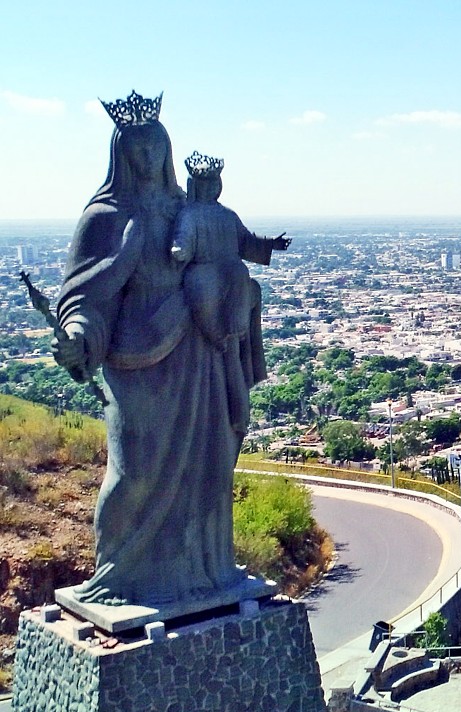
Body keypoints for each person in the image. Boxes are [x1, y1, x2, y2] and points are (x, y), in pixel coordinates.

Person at [52, 91, 285, 606]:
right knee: (134, 472)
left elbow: (232, 242)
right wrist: (76, 335)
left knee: (208, 465)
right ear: (122, 153)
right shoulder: (105, 216)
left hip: (198, 353)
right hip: (137, 358)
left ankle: (204, 570)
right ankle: (116, 576)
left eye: (158, 146)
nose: (151, 157)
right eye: (139, 148)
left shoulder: (187, 207)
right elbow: (85, 294)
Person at [172, 151, 289, 435]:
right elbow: (246, 243)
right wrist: (270, 244)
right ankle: (238, 407)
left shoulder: (196, 215)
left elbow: (184, 247)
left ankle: (218, 339)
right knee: (232, 344)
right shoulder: (220, 215)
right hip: (231, 278)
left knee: (222, 337)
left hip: (211, 280)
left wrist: (178, 251)